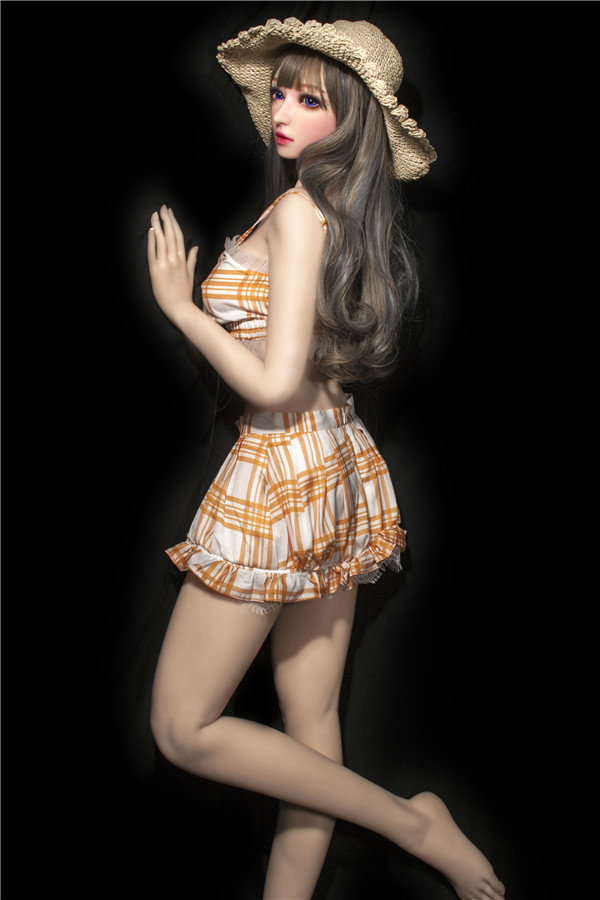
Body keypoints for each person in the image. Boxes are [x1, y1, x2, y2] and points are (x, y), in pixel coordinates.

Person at [147, 17, 505, 900]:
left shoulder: (300, 214)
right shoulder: (330, 209)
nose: (284, 110)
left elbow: (275, 383)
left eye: (311, 99)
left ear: (350, 118)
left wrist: (182, 309)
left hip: (279, 471)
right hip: (331, 459)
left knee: (183, 729)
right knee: (310, 722)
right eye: (282, 92)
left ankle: (412, 825)